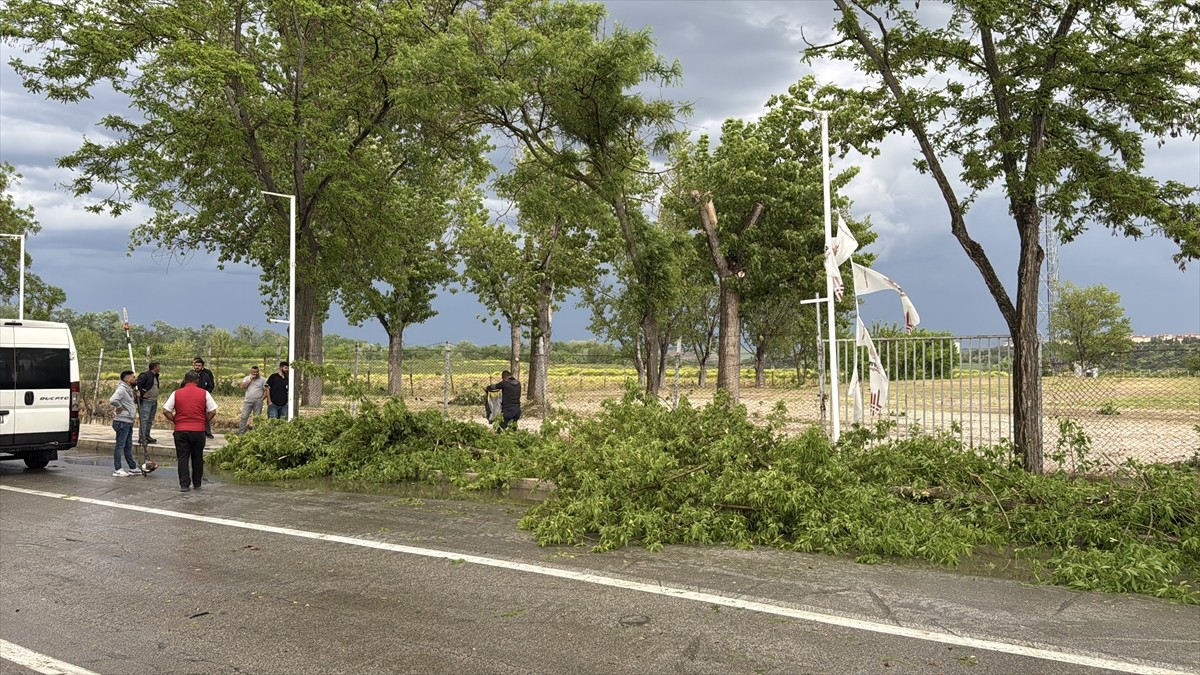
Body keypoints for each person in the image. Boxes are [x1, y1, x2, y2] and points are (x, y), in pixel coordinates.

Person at [162, 370, 217, 492]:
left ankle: (184, 485)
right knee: (197, 457)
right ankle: (197, 483)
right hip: (198, 430)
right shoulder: (204, 393)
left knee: (183, 458)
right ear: (198, 380)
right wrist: (204, 421)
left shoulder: (176, 393)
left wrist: (175, 420)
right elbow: (213, 411)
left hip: (181, 430)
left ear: (185, 380)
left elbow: (166, 410)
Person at [108, 370, 141, 476]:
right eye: (133, 377)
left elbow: (129, 402)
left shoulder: (129, 390)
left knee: (128, 445)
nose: (135, 379)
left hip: (128, 421)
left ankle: (132, 467)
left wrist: (136, 397)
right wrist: (120, 408)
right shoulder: (122, 389)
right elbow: (113, 400)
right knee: (120, 445)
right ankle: (118, 469)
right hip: (122, 421)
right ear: (127, 379)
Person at [135, 361, 161, 445]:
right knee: (144, 419)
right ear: (155, 367)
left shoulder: (155, 376)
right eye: (158, 367)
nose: (159, 368)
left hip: (153, 401)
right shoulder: (145, 375)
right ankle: (142, 437)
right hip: (146, 402)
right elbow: (137, 384)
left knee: (150, 420)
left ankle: (147, 435)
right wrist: (142, 394)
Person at [237, 365, 267, 433]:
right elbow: (242, 386)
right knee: (244, 416)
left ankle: (255, 433)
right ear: (251, 372)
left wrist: (262, 399)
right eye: (253, 372)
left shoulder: (263, 380)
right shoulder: (247, 378)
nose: (255, 374)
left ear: (259, 372)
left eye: (256, 372)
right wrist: (250, 380)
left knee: (257, 418)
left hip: (258, 401)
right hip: (248, 401)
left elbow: (266, 390)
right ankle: (241, 432)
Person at [192, 357, 216, 438]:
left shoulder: (206, 374)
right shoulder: (190, 374)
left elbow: (211, 385)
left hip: (204, 398)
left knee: (206, 414)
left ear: (202, 366)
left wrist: (205, 394)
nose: (197, 367)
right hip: (192, 398)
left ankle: (207, 432)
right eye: (196, 365)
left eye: (199, 365)